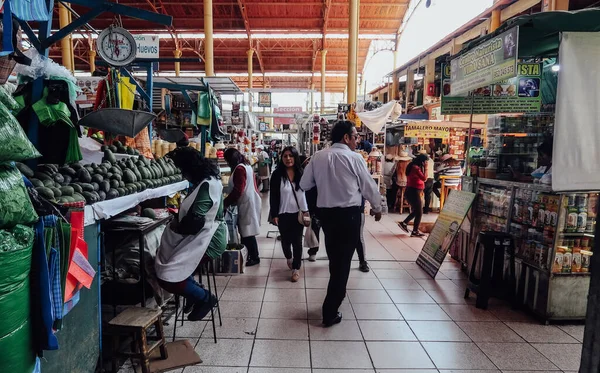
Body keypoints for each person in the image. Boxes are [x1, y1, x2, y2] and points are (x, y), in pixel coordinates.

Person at [300, 120, 382, 327]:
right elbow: (368, 187)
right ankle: (330, 310)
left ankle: (333, 299)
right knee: (342, 263)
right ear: (346, 138)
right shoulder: (354, 158)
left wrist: (324, 183)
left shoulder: (318, 157)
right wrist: (378, 207)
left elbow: (304, 184)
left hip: (327, 217)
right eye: (355, 137)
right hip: (349, 217)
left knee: (335, 259)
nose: (357, 141)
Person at [155, 147, 227, 321]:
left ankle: (204, 298)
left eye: (181, 170)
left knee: (169, 277)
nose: (181, 175)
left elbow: (195, 221)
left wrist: (177, 225)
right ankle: (193, 293)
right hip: (201, 236)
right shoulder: (207, 181)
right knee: (178, 270)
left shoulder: (206, 186)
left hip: (210, 239)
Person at [269, 146, 310, 282]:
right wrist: (274, 214)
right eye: (285, 156)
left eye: (291, 156)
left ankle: (296, 269)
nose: (288, 159)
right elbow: (273, 196)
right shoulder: (277, 175)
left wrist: (308, 211)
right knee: (286, 241)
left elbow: (307, 194)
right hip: (283, 213)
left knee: (297, 241)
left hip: (298, 213)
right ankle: (289, 258)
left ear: (295, 157)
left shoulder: (301, 173)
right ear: (281, 158)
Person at [224, 148, 262, 266]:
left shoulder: (240, 169)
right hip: (249, 200)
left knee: (247, 232)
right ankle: (249, 255)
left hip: (247, 202)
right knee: (246, 231)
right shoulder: (246, 165)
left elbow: (238, 190)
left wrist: (226, 202)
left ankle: (254, 257)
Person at [399, 154, 428, 237]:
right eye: (425, 161)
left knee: (417, 210)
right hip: (413, 191)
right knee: (419, 211)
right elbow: (424, 178)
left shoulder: (412, 166)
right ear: (422, 161)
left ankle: (405, 223)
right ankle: (414, 231)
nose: (426, 163)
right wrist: (426, 168)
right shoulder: (415, 168)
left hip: (412, 191)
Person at [420, 149, 435, 214]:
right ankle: (426, 210)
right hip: (431, 178)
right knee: (428, 195)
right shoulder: (431, 160)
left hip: (424, 179)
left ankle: (419, 209)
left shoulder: (423, 161)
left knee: (421, 194)